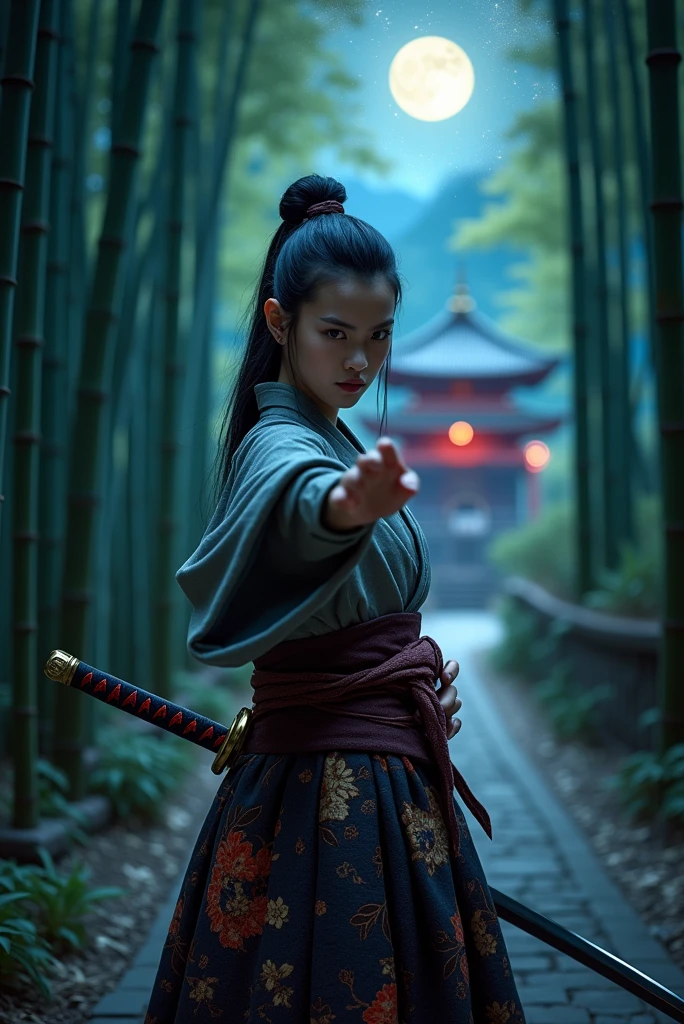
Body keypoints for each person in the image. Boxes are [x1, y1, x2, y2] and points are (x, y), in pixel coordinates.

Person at [144, 174, 525, 1023]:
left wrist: (409, 689)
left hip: (381, 771)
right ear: (280, 322)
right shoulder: (283, 445)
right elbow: (297, 503)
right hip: (323, 789)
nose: (361, 361)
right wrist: (342, 511)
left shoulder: (329, 433)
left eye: (381, 336)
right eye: (336, 333)